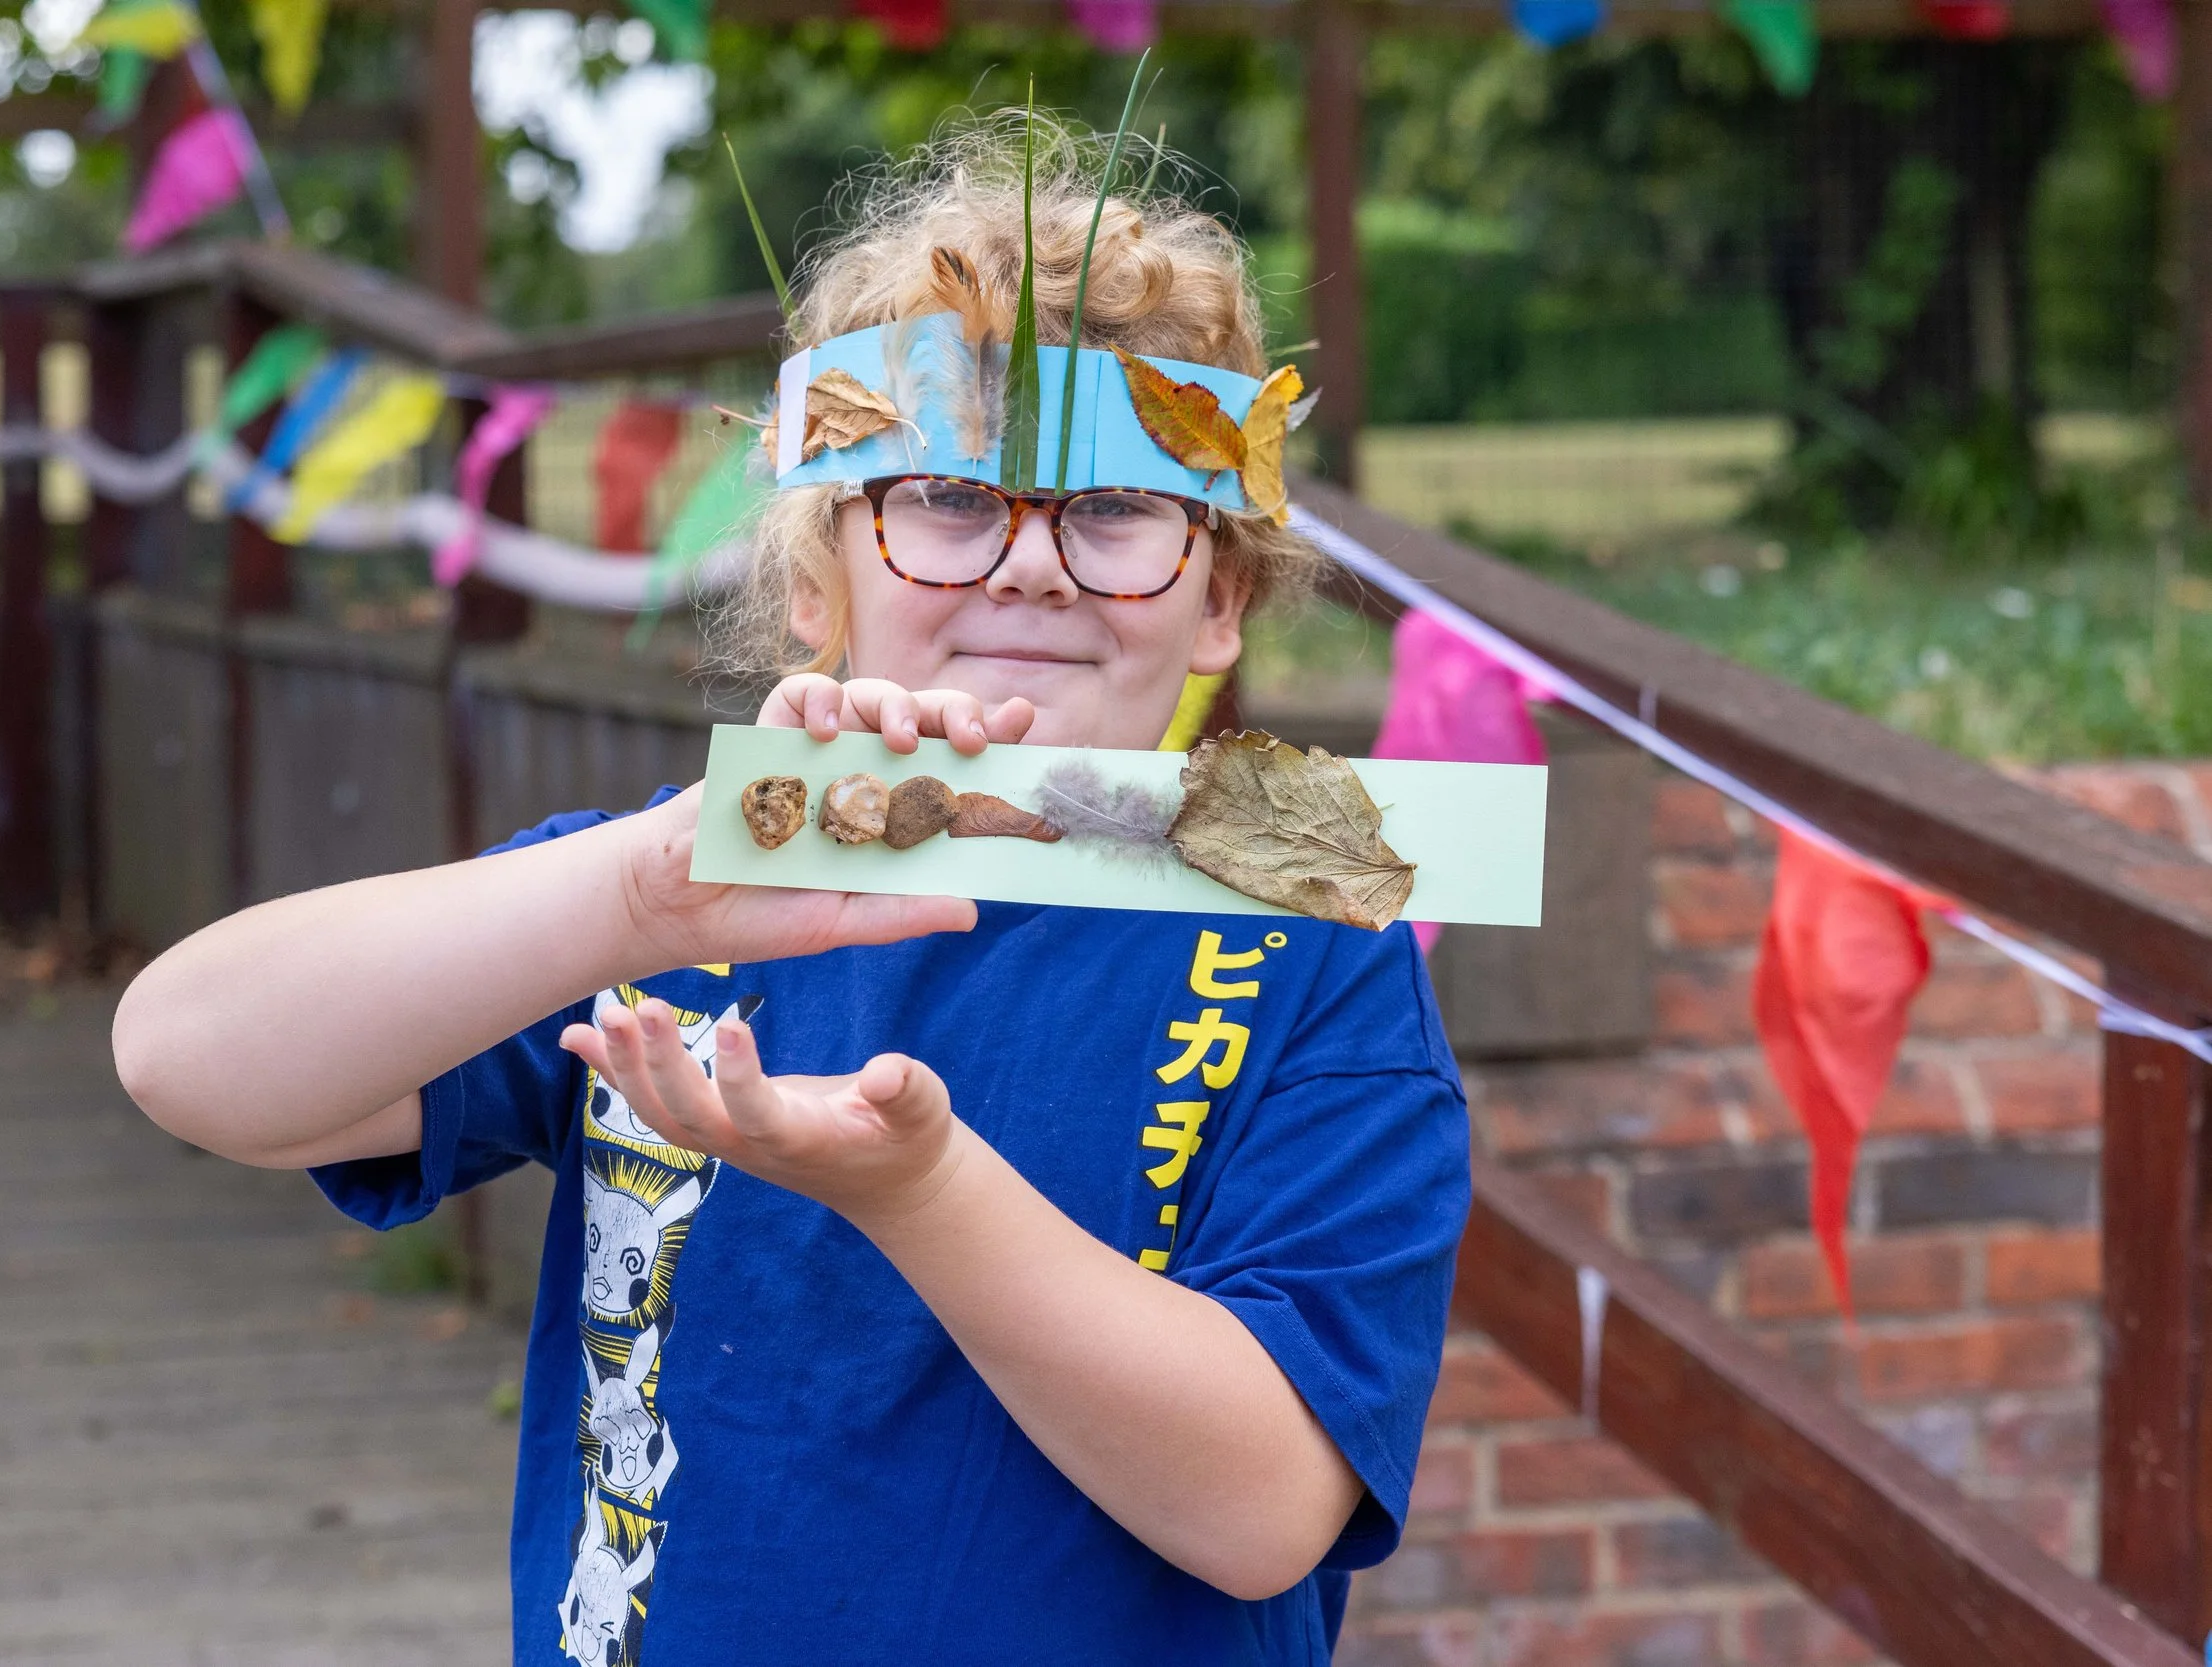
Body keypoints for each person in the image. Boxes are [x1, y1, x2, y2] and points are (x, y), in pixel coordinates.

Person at [112, 119, 1469, 1667]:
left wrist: (918, 1188)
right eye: (947, 499)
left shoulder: (1320, 956)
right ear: (823, 579)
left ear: (1218, 597)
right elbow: (184, 1057)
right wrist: (631, 891)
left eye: (1111, 511)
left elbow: (1261, 1510)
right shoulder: (660, 896)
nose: (1029, 567)